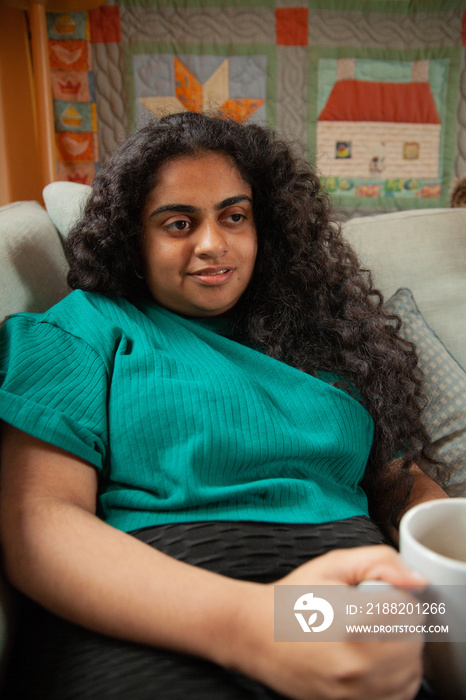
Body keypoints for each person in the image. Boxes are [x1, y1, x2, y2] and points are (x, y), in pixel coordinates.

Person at [0, 112, 448, 700]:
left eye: (234, 216)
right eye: (178, 223)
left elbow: (402, 482)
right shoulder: (86, 326)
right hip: (162, 610)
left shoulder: (332, 341)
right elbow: (38, 524)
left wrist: (442, 580)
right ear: (133, 236)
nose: (213, 245)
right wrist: (250, 625)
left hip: (352, 605)